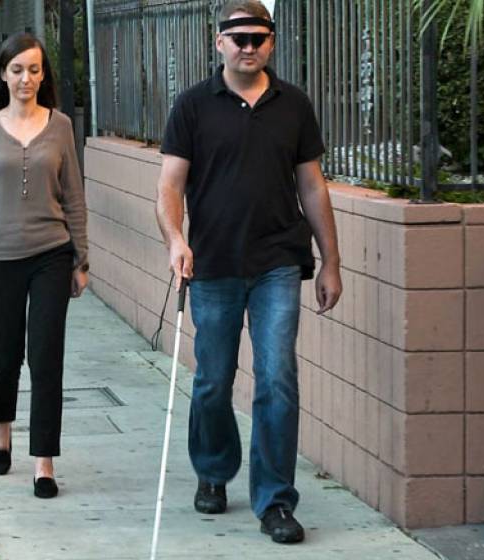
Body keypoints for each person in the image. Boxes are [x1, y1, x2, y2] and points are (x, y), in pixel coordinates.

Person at [155, 0, 342, 544]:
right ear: (219, 43)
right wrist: (175, 239)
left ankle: (275, 501)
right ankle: (213, 471)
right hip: (211, 264)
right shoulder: (192, 106)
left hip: (278, 263)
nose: (248, 46)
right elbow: (169, 186)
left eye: (258, 37)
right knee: (213, 381)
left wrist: (331, 260)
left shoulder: (294, 106)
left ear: (272, 43)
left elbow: (313, 185)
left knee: (277, 378)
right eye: (238, 37)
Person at [0, 32, 88, 499]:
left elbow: (74, 196)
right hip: (0, 259)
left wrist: (81, 257)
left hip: (52, 254)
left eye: (34, 69)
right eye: (17, 70)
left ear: (43, 74)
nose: (26, 78)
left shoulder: (62, 127)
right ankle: (1, 428)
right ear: (4, 75)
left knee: (46, 357)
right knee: (4, 356)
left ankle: (44, 462)